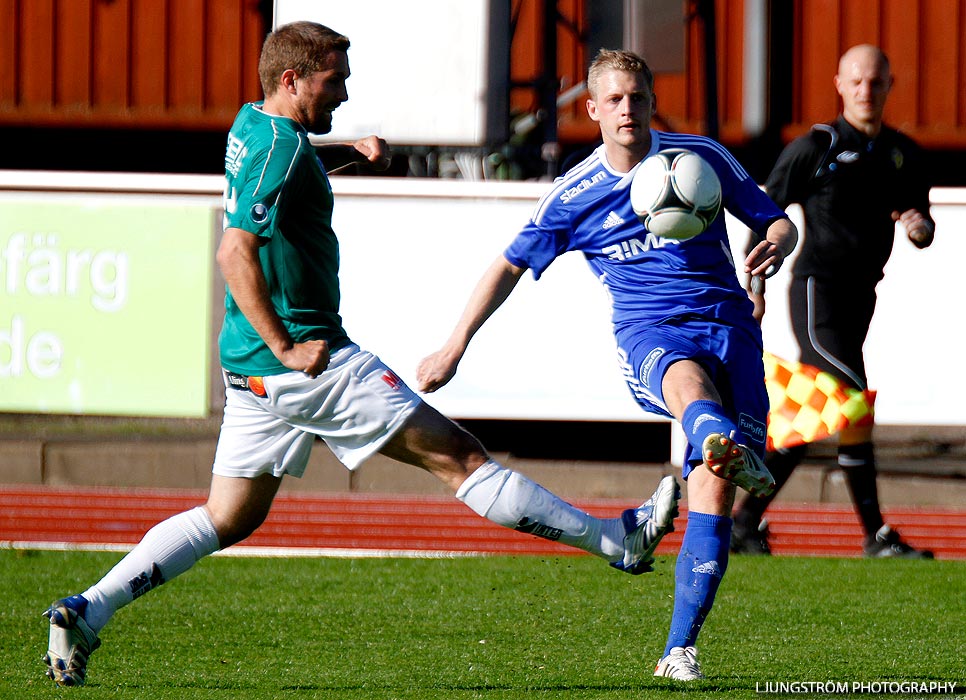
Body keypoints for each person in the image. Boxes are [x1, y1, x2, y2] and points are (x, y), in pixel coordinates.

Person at [41, 22, 683, 688]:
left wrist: (344, 148)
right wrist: (288, 347)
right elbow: (234, 252)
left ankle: (87, 610)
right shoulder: (281, 153)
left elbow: (286, 158)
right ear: (293, 79)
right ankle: (618, 541)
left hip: (249, 371)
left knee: (227, 516)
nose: (343, 94)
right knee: (458, 456)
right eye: (333, 81)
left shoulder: (252, 127)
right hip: (309, 362)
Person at [417, 49, 798, 681]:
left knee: (716, 493)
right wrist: (456, 342)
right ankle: (712, 436)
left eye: (638, 98)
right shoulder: (575, 194)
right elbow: (508, 264)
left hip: (731, 326)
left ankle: (679, 650)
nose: (628, 110)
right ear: (592, 110)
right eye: (614, 100)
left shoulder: (697, 158)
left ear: (652, 102)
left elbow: (775, 220)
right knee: (687, 385)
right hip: (648, 332)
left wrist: (776, 247)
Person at [731, 45, 935, 559]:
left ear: (889, 86)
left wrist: (918, 226)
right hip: (815, 292)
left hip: (861, 298)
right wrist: (754, 289)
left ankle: (744, 521)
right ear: (840, 84)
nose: (867, 91)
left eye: (876, 82)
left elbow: (921, 220)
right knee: (850, 397)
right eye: (857, 81)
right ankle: (875, 534)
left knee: (822, 410)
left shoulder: (902, 153)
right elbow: (763, 214)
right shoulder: (816, 146)